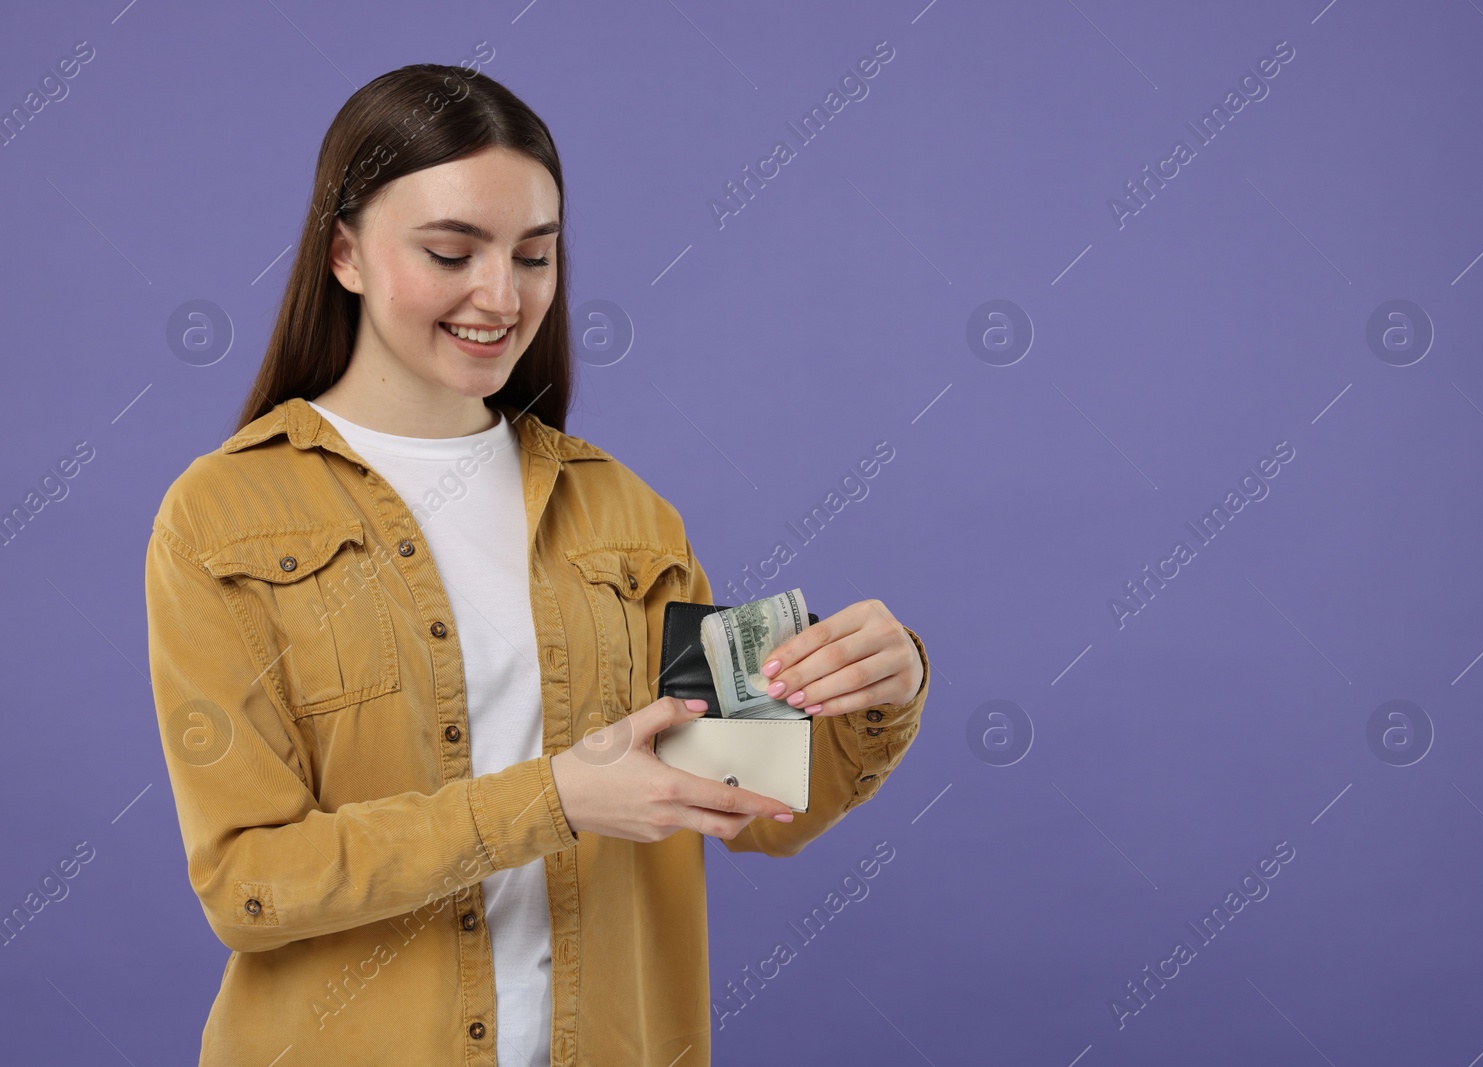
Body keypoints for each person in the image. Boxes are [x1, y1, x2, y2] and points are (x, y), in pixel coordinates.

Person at [144, 63, 930, 1067]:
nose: (500, 295)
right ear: (344, 252)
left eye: (534, 255)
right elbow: (250, 881)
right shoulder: (221, 514)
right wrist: (552, 798)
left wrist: (877, 686)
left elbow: (749, 793)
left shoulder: (626, 511)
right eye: (449, 250)